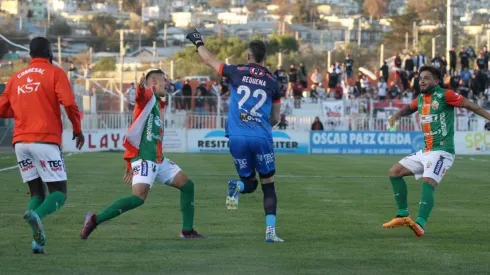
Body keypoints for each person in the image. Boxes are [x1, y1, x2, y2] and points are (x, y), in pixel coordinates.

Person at [80, 69, 202, 240]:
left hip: (158, 160)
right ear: (153, 84)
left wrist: (130, 160)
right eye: (164, 81)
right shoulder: (147, 98)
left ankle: (187, 231)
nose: (167, 84)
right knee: (138, 198)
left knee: (188, 186)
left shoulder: (158, 104)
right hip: (145, 158)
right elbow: (140, 95)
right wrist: (140, 84)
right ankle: (94, 220)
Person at [186, 29, 283, 242]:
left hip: (236, 136)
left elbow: (209, 60)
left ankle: (237, 186)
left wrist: (198, 41)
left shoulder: (236, 71)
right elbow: (275, 119)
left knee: (248, 181)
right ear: (265, 58)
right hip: (261, 137)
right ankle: (270, 233)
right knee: (267, 183)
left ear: (248, 56)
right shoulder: (273, 82)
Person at [0, 37, 85, 254]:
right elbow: (68, 103)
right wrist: (77, 128)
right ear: (50, 53)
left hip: (20, 142)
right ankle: (37, 216)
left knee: (37, 193)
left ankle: (38, 242)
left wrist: (22, 109)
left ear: (30, 54)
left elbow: (2, 109)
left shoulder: (16, 78)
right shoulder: (55, 73)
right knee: (60, 193)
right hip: (45, 140)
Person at [384, 65, 490, 237]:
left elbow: (472, 106)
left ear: (436, 81)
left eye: (426, 78)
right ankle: (403, 214)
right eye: (420, 78)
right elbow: (408, 109)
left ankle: (420, 224)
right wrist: (396, 116)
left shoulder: (445, 95)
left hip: (442, 151)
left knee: (428, 181)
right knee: (395, 172)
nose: (422, 81)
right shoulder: (420, 99)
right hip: (426, 151)